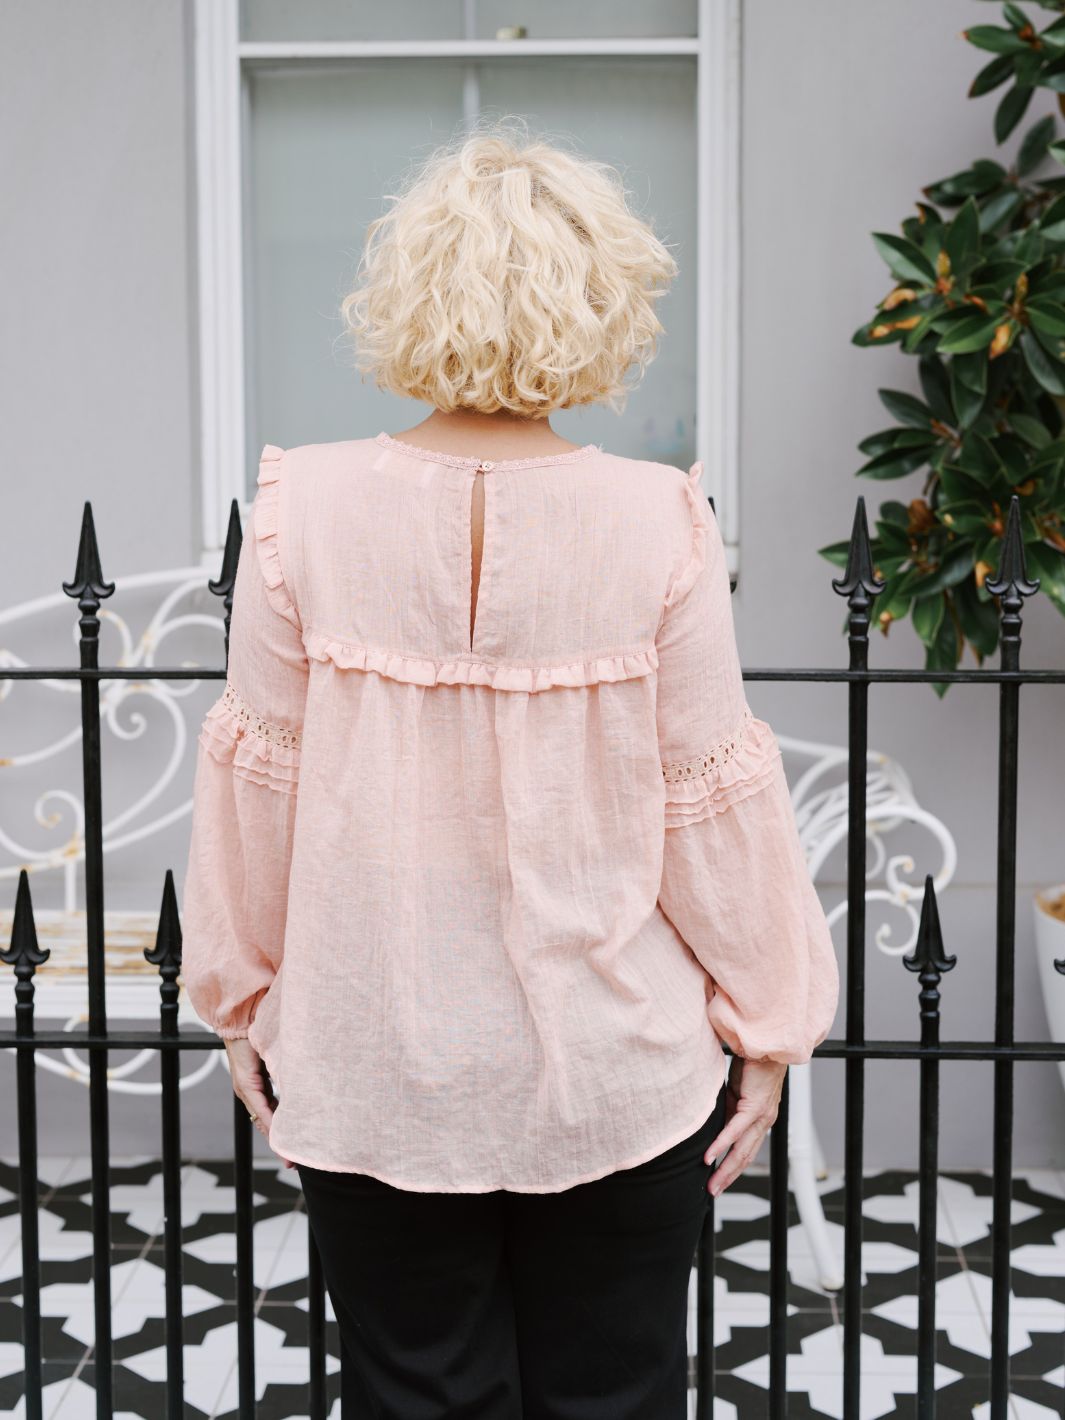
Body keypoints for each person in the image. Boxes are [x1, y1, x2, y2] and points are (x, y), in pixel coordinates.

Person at [180, 117, 839, 1420]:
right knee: (617, 1397)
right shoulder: (658, 517)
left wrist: (240, 1002)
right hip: (616, 1072)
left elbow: (260, 784)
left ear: (406, 291)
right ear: (602, 303)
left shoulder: (301, 509)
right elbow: (710, 796)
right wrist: (770, 1028)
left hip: (374, 1065)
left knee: (412, 1395)